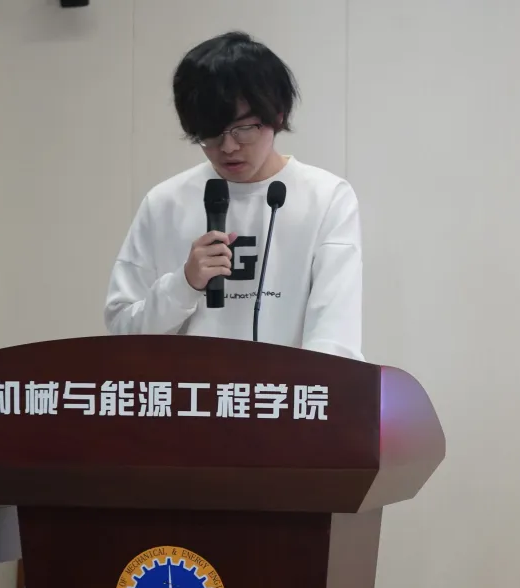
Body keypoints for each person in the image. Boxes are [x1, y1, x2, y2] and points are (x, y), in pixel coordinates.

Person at [103, 31, 363, 360]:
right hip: (187, 391)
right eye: (210, 133)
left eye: (243, 129)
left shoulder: (326, 199)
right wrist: (184, 284)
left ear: (277, 115)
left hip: (283, 392)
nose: (227, 147)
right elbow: (122, 331)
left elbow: (335, 339)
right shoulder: (165, 203)